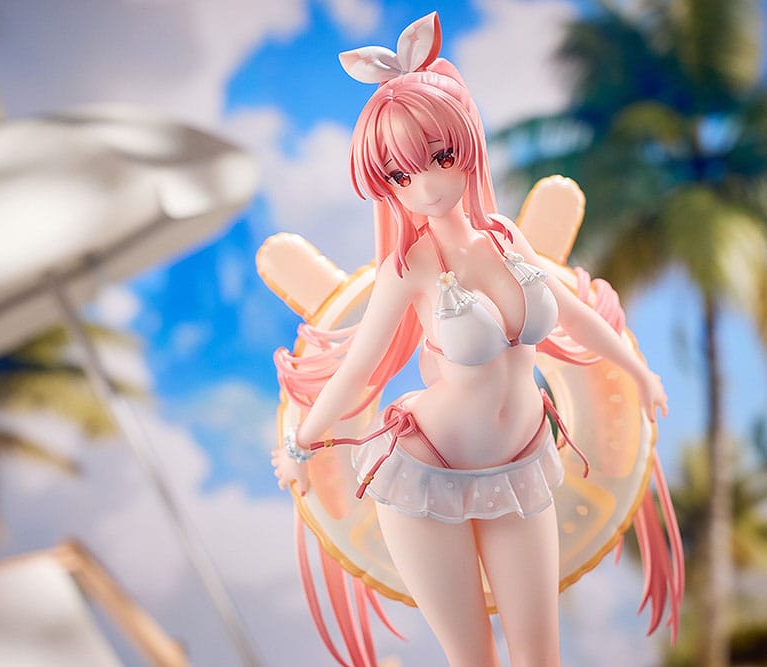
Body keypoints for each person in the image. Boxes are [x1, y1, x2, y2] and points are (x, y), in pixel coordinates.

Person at [270, 13, 675, 667]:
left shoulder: (507, 238)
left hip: (520, 464)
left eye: (439, 157)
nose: (426, 185)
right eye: (400, 176)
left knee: (541, 657)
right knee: (473, 660)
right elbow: (361, 368)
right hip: (424, 474)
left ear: (467, 145)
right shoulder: (410, 267)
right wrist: (298, 445)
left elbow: (573, 314)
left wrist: (637, 370)